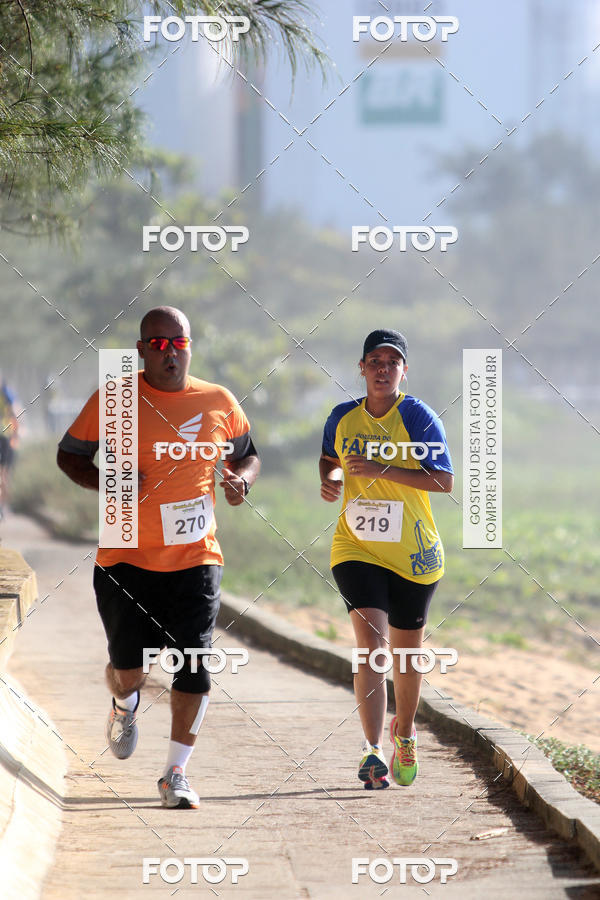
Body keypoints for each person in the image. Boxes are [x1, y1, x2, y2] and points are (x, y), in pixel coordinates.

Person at [57, 306, 260, 808]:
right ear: (142, 351)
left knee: (194, 662)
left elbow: (248, 455)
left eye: (179, 342)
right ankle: (124, 706)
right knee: (129, 668)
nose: (171, 353)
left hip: (196, 557)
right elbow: (70, 455)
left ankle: (175, 774)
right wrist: (109, 480)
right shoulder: (117, 399)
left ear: (191, 345)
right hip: (126, 557)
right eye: (159, 344)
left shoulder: (218, 401)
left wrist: (241, 482)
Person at [319, 329, 453, 790]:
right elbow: (327, 458)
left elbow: (444, 481)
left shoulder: (417, 416)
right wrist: (332, 478)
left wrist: (382, 470)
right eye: (374, 360)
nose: (382, 368)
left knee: (406, 655)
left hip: (413, 551)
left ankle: (407, 731)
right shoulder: (341, 416)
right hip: (356, 546)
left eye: (391, 362)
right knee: (372, 646)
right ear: (361, 368)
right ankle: (373, 750)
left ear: (403, 371)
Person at [0, 380, 19, 520]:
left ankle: (3, 506)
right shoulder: (7, 392)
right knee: (3, 474)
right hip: (6, 437)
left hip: (5, 438)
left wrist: (15, 435)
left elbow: (16, 412)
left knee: (4, 474)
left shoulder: (7, 393)